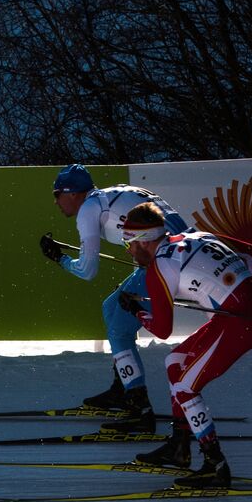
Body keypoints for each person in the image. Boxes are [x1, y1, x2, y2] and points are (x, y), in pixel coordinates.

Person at [120, 203, 252, 487]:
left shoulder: (159, 266)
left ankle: (214, 465)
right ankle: (179, 446)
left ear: (143, 241)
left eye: (128, 243)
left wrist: (136, 311)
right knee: (174, 363)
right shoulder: (195, 235)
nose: (128, 251)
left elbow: (162, 329)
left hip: (239, 324)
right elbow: (251, 251)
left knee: (184, 386)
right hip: (238, 317)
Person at [41, 164, 190, 429]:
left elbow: (88, 271)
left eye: (57, 194)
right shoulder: (110, 195)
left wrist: (59, 259)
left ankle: (138, 407)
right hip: (179, 255)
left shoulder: (88, 208)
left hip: (165, 263)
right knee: (111, 308)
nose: (55, 202)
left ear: (72, 193)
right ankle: (123, 386)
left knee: (119, 326)